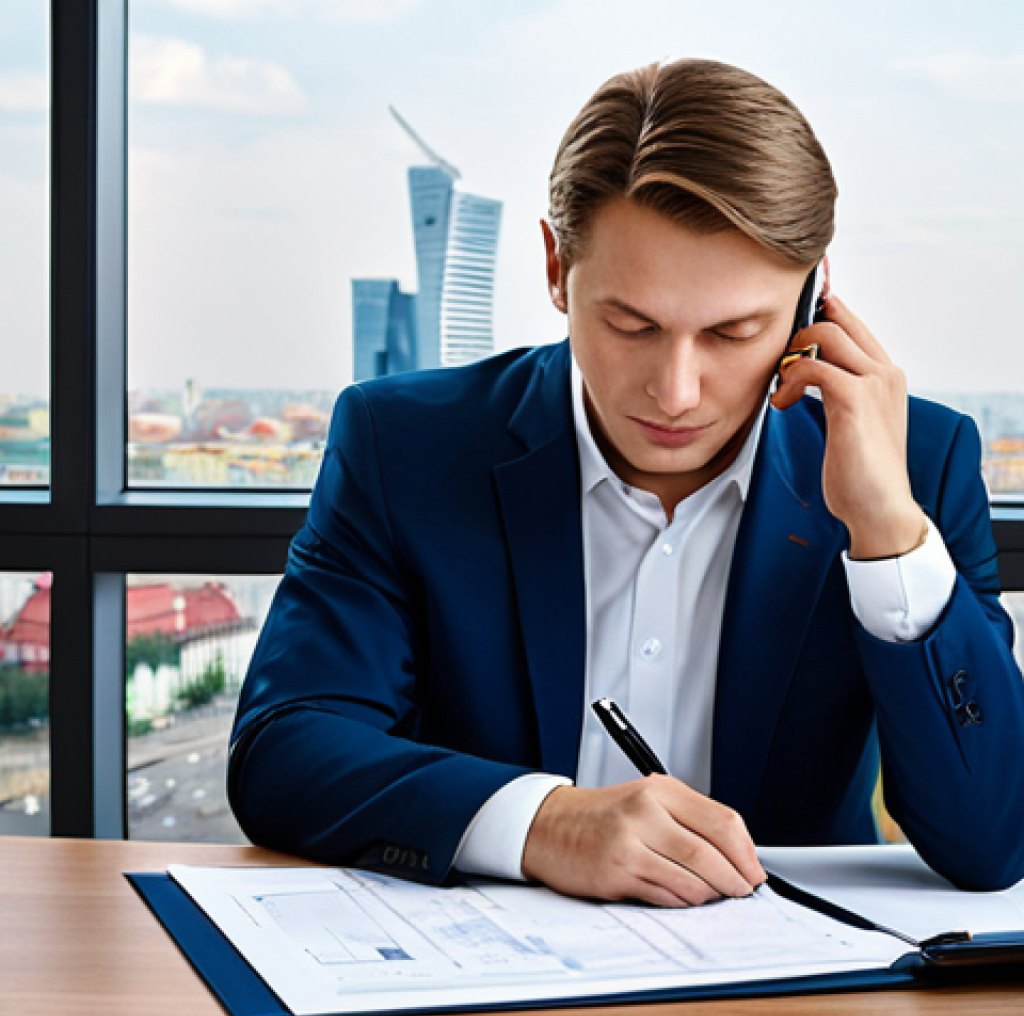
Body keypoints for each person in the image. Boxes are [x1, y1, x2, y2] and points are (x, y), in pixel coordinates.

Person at [228, 59, 1024, 904]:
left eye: (732, 333)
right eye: (632, 324)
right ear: (556, 268)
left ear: (812, 300)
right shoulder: (404, 444)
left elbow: (992, 840)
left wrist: (887, 536)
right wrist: (544, 824)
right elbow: (285, 747)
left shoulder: (916, 463)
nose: (675, 392)